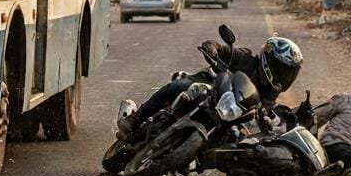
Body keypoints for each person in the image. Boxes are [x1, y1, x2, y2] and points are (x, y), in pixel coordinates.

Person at [120, 35, 305, 136]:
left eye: (289, 72)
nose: (285, 76)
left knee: (237, 139)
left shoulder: (270, 92)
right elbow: (219, 47)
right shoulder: (246, 59)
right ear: (269, 60)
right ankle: (137, 117)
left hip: (229, 114)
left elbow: (264, 109)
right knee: (177, 87)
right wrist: (213, 49)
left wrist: (265, 118)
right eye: (282, 69)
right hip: (207, 88)